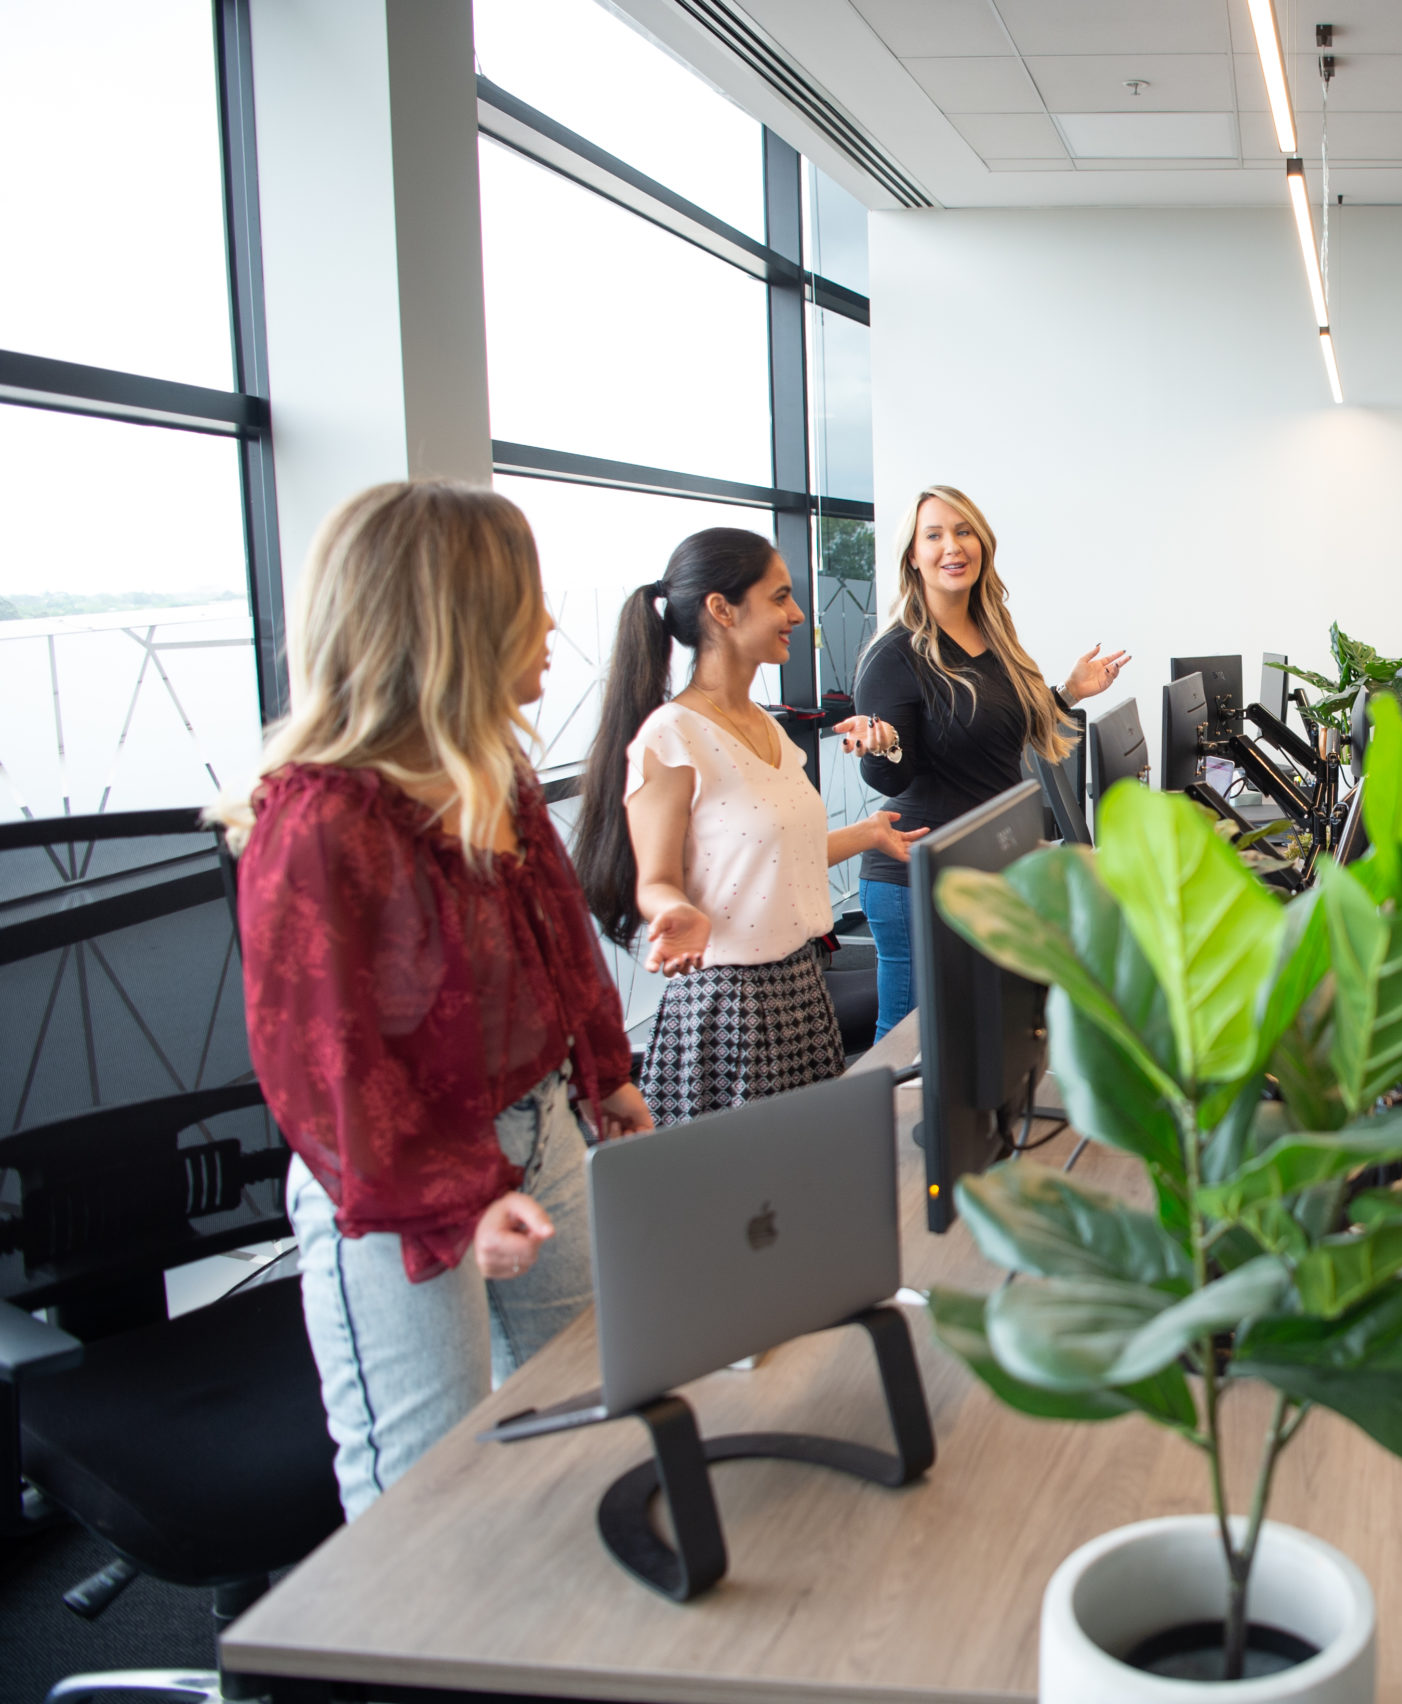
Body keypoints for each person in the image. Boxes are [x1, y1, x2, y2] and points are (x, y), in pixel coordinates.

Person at [219, 481, 654, 1520]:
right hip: (390, 1180)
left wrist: (607, 1074)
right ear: (459, 623)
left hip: (538, 1127)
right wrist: (456, 1199)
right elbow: (326, 1068)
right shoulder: (320, 820)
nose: (550, 627)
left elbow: (558, 943)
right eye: (528, 602)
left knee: (588, 1403)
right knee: (423, 1491)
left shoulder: (493, 770)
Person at [572, 528, 924, 1123]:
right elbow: (655, 880)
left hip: (802, 989)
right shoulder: (673, 734)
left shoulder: (765, 725)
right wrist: (673, 910)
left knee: (811, 1169)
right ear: (722, 609)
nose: (797, 614)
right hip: (731, 1007)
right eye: (780, 597)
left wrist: (867, 834)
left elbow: (771, 857)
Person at [839, 486, 1128, 1042]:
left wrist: (1069, 692)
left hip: (987, 864)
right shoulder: (894, 654)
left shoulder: (992, 632)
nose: (952, 546)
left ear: (982, 543)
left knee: (983, 1038)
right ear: (913, 556)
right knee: (907, 1046)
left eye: (963, 531)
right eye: (934, 535)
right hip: (916, 874)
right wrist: (884, 744)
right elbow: (892, 776)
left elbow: (998, 731)